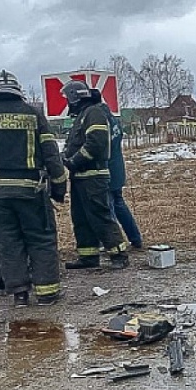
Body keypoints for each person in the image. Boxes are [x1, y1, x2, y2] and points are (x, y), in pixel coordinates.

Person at [0, 70, 68, 306]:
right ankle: (47, 293)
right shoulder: (33, 114)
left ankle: (19, 294)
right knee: (41, 239)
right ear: (18, 90)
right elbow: (52, 156)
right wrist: (59, 187)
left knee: (8, 242)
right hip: (32, 191)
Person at [60, 80, 129, 269]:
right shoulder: (83, 115)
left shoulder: (94, 113)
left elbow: (96, 143)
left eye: (68, 98)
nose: (67, 103)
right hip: (81, 177)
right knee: (81, 218)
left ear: (75, 98)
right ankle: (88, 256)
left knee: (100, 216)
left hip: (93, 175)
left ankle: (119, 255)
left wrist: (74, 161)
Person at [93, 89, 143, 249]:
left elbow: (98, 146)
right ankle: (135, 238)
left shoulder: (99, 121)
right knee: (119, 204)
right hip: (117, 168)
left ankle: (114, 243)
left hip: (106, 170)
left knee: (108, 208)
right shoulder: (113, 119)